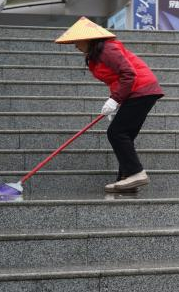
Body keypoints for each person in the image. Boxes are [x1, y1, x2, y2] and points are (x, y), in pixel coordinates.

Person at [55, 17, 164, 193]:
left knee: (116, 133)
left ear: (88, 38)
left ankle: (136, 173)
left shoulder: (107, 49)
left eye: (76, 41)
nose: (75, 46)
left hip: (141, 89)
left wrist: (115, 99)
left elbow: (128, 74)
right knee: (124, 135)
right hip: (138, 92)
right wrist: (116, 100)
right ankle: (126, 179)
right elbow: (116, 79)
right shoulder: (97, 54)